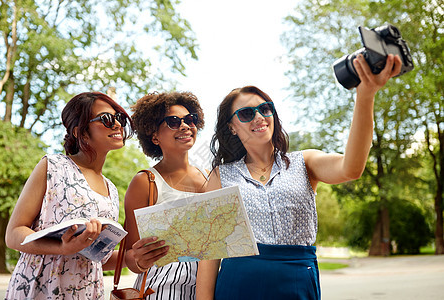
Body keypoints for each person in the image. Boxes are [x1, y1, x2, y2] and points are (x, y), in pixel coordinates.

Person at [196, 54, 402, 299]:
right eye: (246, 114)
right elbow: (209, 254)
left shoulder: (305, 162)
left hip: (296, 283)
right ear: (231, 126)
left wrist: (365, 95)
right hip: (237, 285)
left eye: (265, 109)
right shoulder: (221, 176)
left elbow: (351, 168)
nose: (259, 117)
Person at [4, 92, 133, 299]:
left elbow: (97, 258)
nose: (117, 124)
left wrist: (132, 257)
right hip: (40, 287)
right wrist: (62, 247)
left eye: (119, 118)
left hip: (86, 292)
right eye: (107, 119)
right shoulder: (52, 166)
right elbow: (13, 234)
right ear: (80, 132)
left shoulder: (112, 190)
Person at [124, 91, 208, 299]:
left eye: (190, 119)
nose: (185, 126)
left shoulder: (209, 177)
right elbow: (128, 256)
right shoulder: (145, 182)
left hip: (206, 288)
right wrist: (140, 260)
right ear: (154, 136)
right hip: (161, 289)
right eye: (173, 121)